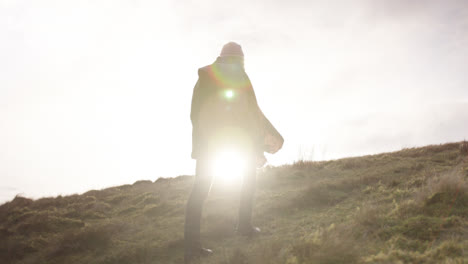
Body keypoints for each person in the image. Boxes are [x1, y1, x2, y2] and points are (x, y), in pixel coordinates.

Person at [184, 42, 283, 263]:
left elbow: (250, 113)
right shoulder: (228, 79)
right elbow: (243, 115)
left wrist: (264, 138)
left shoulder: (211, 78)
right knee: (205, 190)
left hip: (216, 143)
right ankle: (198, 245)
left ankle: (240, 228)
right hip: (220, 142)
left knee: (234, 181)